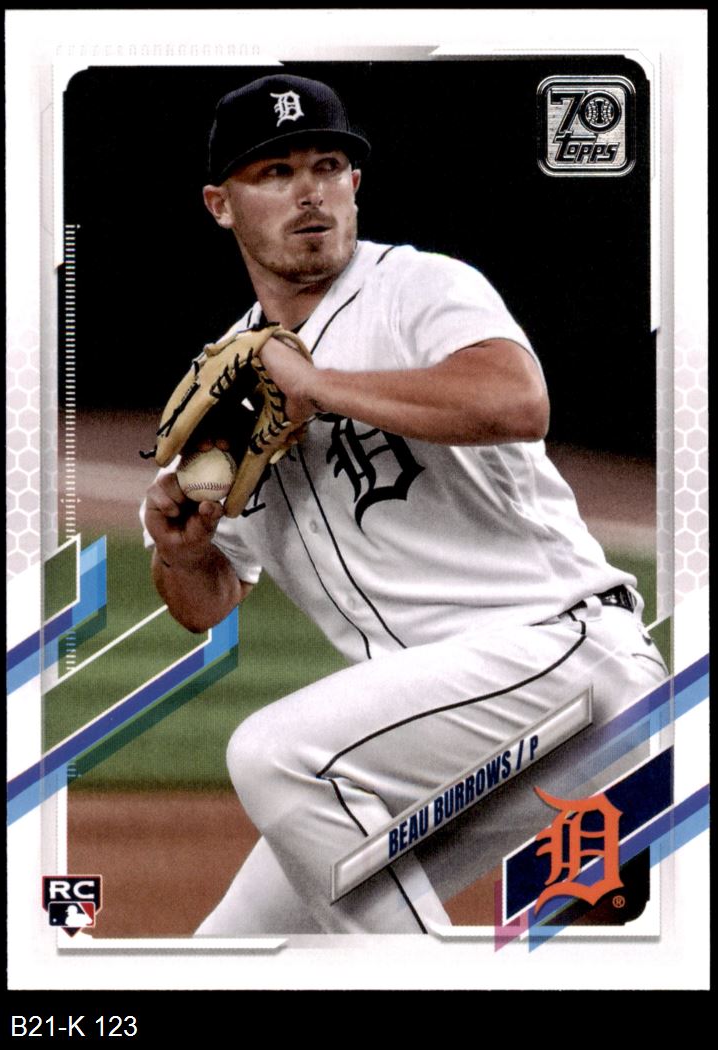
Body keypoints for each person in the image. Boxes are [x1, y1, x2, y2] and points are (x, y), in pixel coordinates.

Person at [142, 74, 667, 934]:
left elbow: (516, 400)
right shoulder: (228, 388)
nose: (309, 191)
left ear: (355, 183)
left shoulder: (416, 287)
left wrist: (322, 386)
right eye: (274, 172)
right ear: (220, 204)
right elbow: (204, 602)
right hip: (446, 738)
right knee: (237, 956)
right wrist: (184, 550)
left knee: (278, 757)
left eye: (327, 165)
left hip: (564, 662)